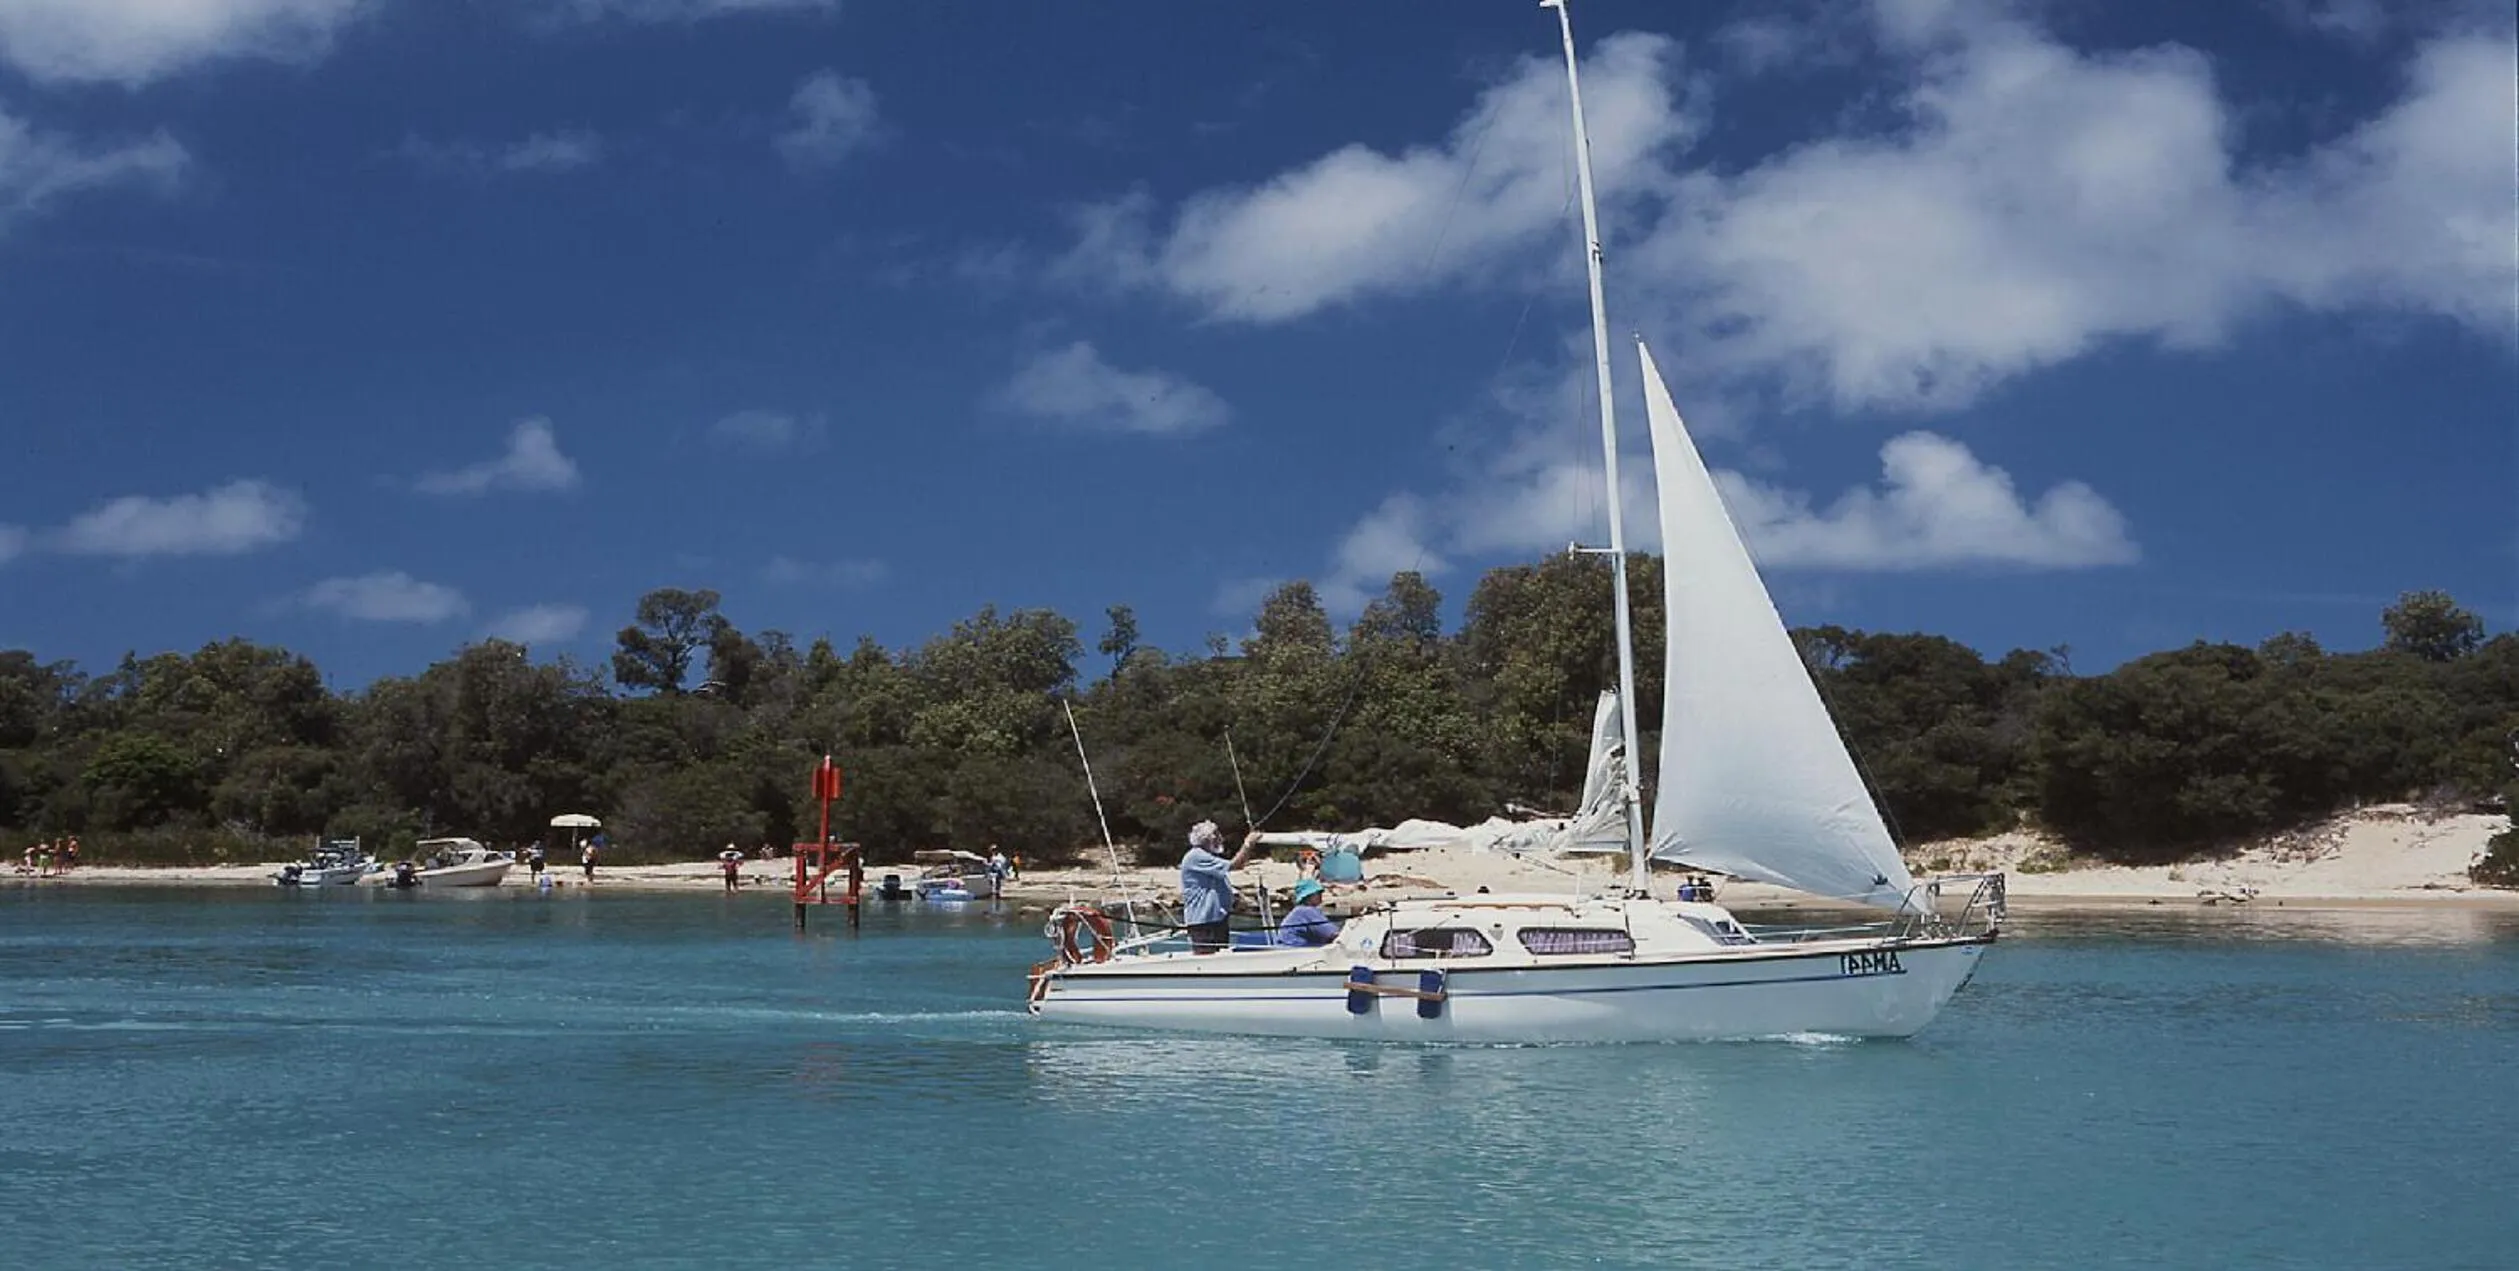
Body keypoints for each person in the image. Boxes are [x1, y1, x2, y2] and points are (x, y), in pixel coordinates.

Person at [1178, 820, 1256, 954]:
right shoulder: (1197, 856)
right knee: (1208, 959)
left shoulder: (1208, 858)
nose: (1221, 838)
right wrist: (1248, 844)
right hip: (1204, 921)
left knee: (1220, 958)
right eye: (1216, 835)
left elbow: (1239, 865)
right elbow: (1234, 865)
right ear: (1207, 838)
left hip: (1217, 919)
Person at [1273, 878, 1340, 947]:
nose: (1320, 895)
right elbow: (1331, 933)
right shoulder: (1307, 911)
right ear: (1308, 896)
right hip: (1295, 950)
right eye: (1317, 893)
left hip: (1287, 949)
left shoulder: (1299, 910)